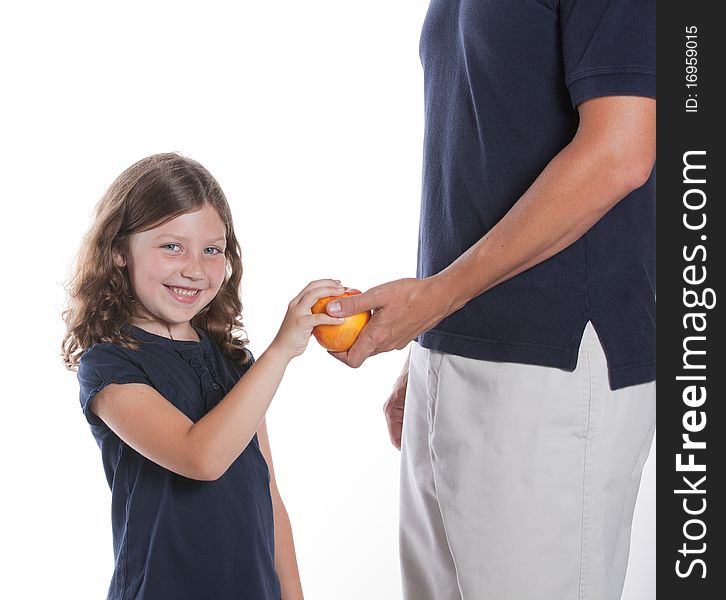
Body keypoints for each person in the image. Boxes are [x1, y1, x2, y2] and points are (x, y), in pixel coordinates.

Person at [325, 1, 656, 599]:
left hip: (552, 359)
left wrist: (433, 303)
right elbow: (484, 152)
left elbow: (621, 154)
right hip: (456, 350)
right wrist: (431, 341)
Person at [62, 152, 346, 600]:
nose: (195, 268)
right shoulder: (111, 365)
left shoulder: (234, 361)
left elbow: (267, 492)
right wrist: (282, 350)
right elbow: (201, 458)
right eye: (171, 246)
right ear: (118, 251)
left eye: (212, 250)